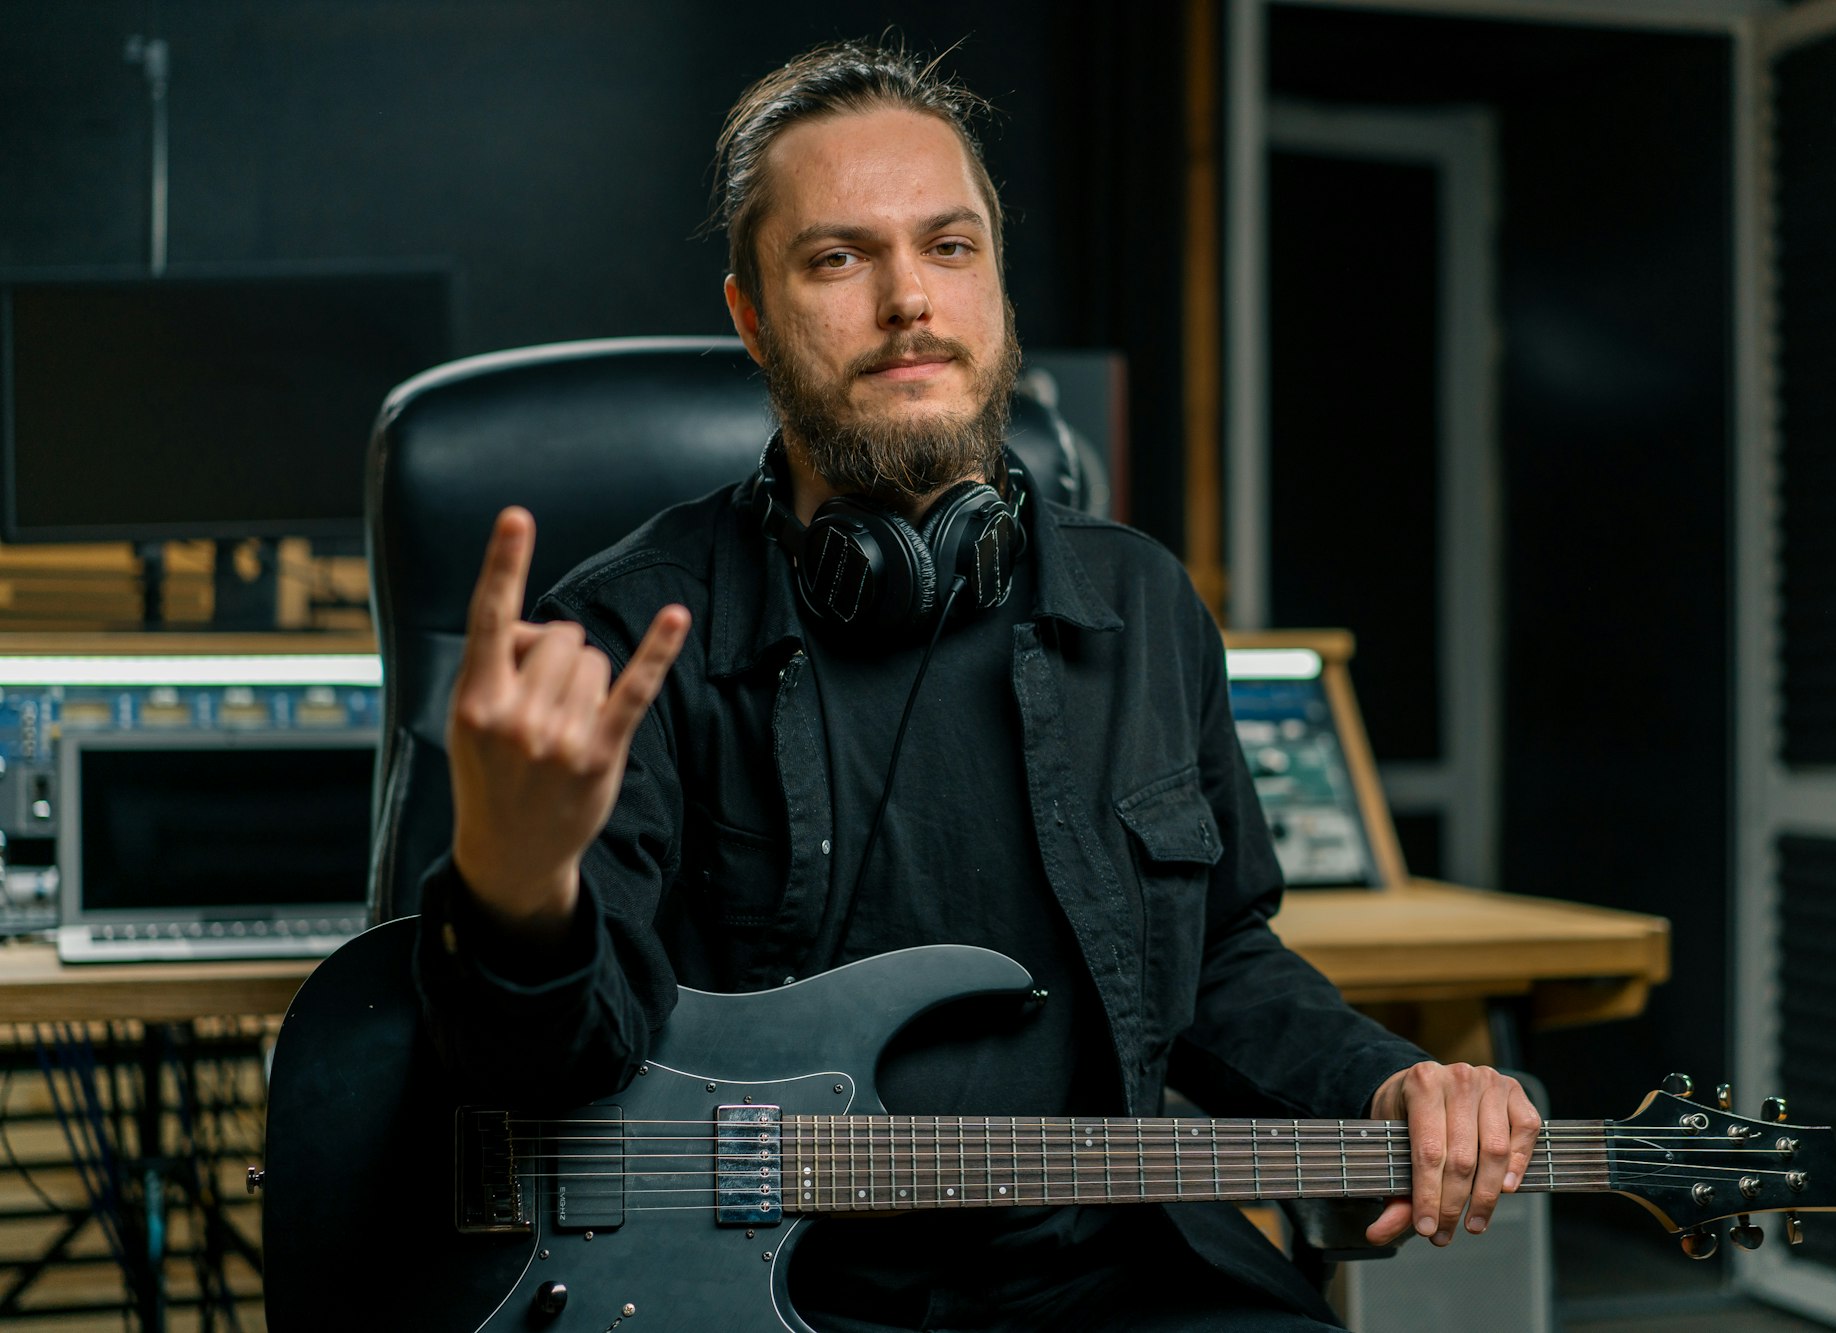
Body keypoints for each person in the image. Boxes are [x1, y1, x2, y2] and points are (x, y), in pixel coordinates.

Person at [415, 39, 1540, 1333]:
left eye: (949, 247)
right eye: (839, 258)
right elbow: (538, 1090)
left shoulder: (1142, 606)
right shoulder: (624, 635)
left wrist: (1382, 1082)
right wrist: (514, 885)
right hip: (763, 1296)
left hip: (1112, 1270)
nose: (909, 298)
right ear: (752, 317)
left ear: (996, 285)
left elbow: (1221, 958)